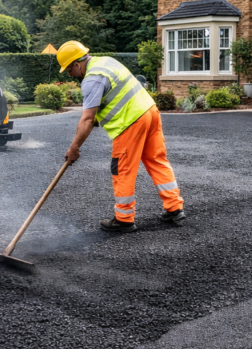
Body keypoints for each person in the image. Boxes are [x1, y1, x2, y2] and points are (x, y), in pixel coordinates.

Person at [58, 40, 185, 233]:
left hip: (130, 122)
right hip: (149, 112)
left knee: (123, 170)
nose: (69, 74)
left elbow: (87, 119)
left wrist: (74, 148)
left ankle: (124, 219)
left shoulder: (92, 79)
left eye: (69, 69)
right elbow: (106, 105)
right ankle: (174, 208)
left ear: (77, 63)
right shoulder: (106, 62)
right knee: (157, 160)